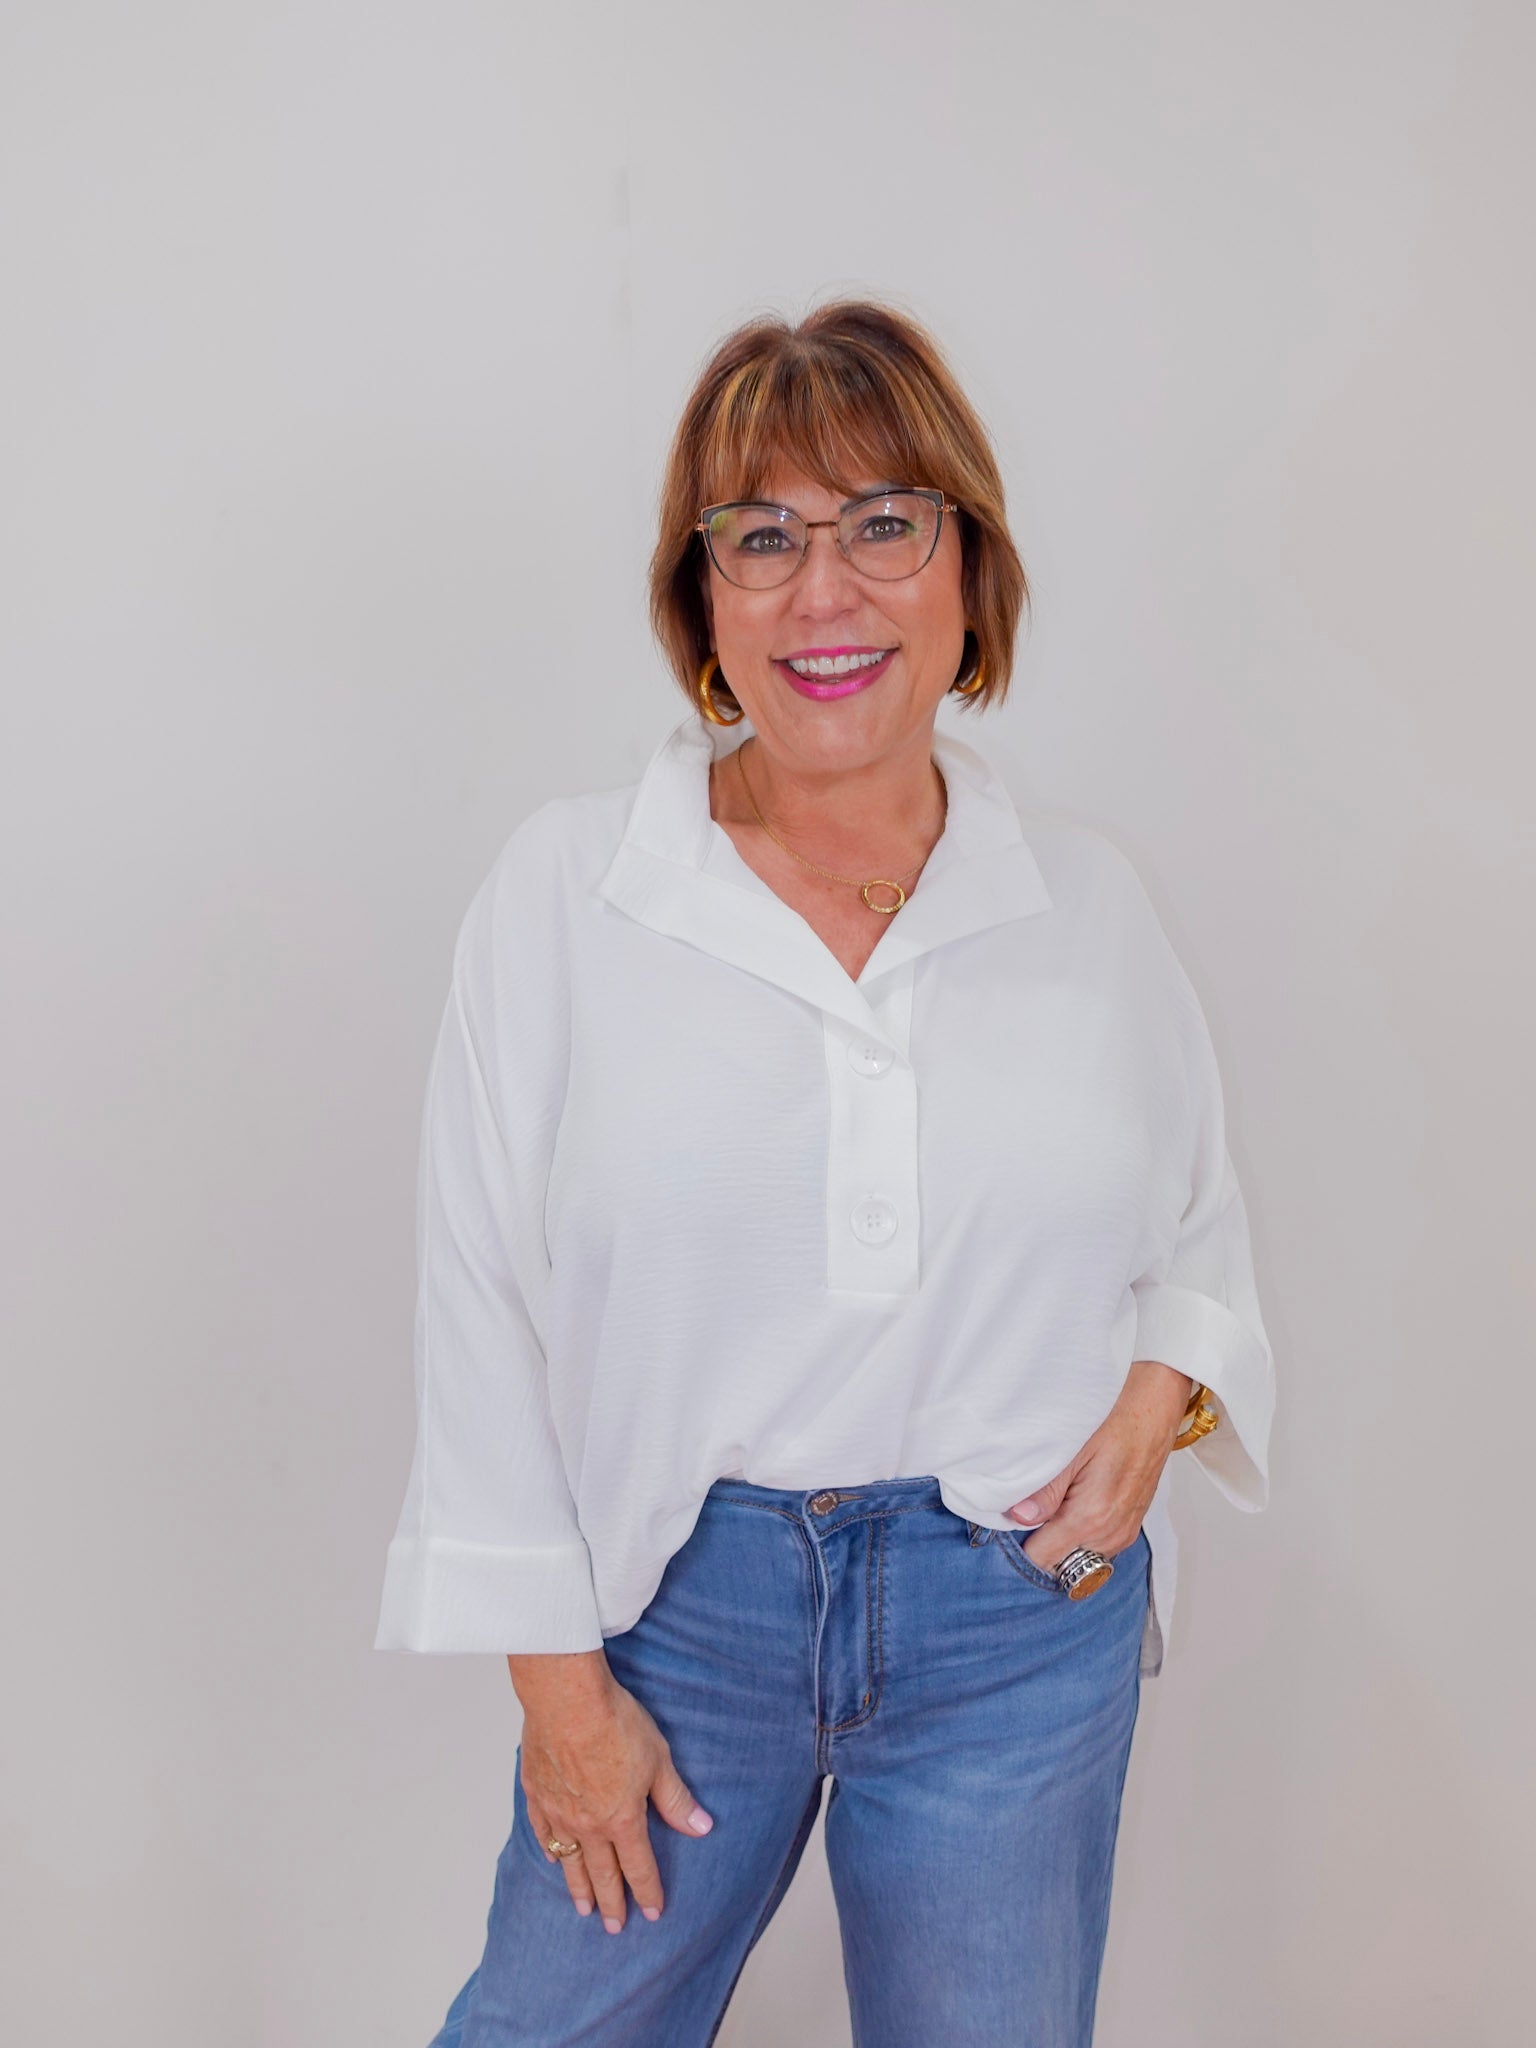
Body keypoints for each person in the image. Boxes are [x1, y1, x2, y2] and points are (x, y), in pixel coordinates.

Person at [375, 297, 1276, 2048]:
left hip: (1016, 1621)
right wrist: (562, 1698)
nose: (824, 590)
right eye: (762, 536)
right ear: (702, 601)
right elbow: (476, 1296)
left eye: (884, 524)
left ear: (968, 574)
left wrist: (1171, 1385)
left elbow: (1198, 1230)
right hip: (675, 1616)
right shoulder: (570, 896)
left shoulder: (1086, 905)